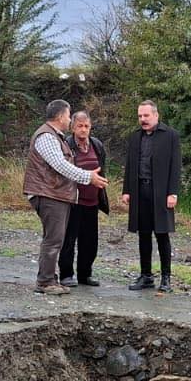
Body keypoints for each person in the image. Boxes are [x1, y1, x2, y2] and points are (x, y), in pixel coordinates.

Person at [23, 99, 108, 295]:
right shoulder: (46, 136)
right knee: (54, 239)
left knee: (56, 238)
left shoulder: (55, 136)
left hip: (56, 194)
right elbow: (60, 165)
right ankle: (45, 282)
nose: (69, 120)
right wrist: (88, 177)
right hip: (49, 194)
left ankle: (51, 279)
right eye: (69, 116)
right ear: (61, 116)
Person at [120, 99, 181, 291]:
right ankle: (146, 276)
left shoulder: (170, 135)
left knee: (162, 234)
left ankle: (166, 278)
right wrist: (126, 190)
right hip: (140, 190)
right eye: (140, 116)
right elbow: (130, 165)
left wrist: (173, 193)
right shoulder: (135, 136)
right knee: (143, 234)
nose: (142, 119)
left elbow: (176, 166)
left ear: (156, 115)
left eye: (146, 115)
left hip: (161, 192)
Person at [58, 111, 109, 287]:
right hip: (73, 200)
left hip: (92, 201)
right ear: (73, 127)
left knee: (90, 241)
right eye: (80, 126)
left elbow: (101, 168)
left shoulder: (97, 145)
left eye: (86, 126)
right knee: (68, 239)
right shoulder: (66, 145)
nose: (83, 130)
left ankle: (85, 274)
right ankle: (66, 274)